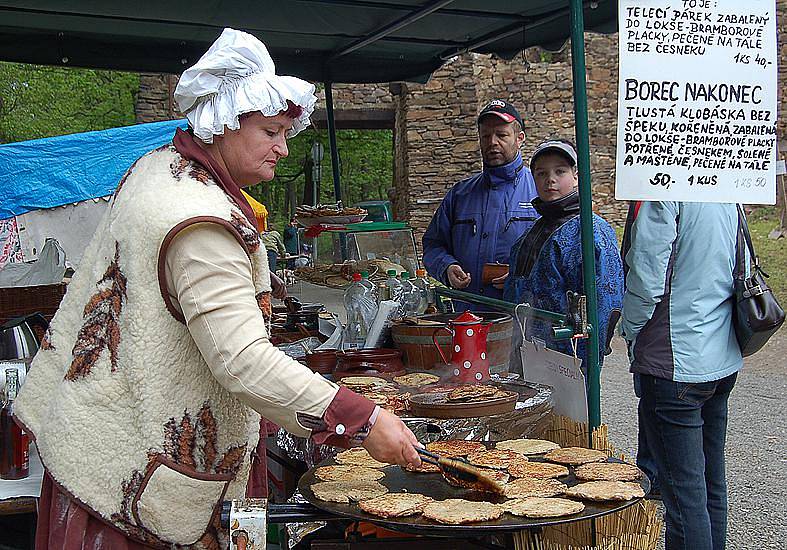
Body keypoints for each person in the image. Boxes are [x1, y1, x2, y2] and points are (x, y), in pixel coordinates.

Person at [14, 28, 420, 550]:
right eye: (271, 131)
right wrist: (360, 418)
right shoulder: (202, 223)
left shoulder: (156, 168)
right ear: (224, 122)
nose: (283, 148)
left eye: (286, 133)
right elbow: (242, 363)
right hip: (124, 488)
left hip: (92, 449)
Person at [621, 201, 743, 550]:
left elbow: (646, 279)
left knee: (685, 496)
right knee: (709, 484)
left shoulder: (664, 192)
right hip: (720, 356)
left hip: (675, 362)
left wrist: (629, 328)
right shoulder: (723, 191)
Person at [503, 140, 623, 374]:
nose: (551, 179)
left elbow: (606, 303)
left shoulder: (591, 232)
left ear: (576, 176)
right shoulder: (531, 232)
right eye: (542, 173)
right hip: (524, 350)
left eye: (560, 171)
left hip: (568, 357)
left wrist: (588, 362)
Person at [422, 100, 539, 308]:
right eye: (486, 136)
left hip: (520, 321)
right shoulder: (460, 194)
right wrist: (447, 267)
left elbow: (556, 257)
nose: (492, 142)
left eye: (501, 135)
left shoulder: (540, 192)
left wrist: (520, 278)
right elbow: (433, 245)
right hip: (468, 318)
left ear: (519, 138)